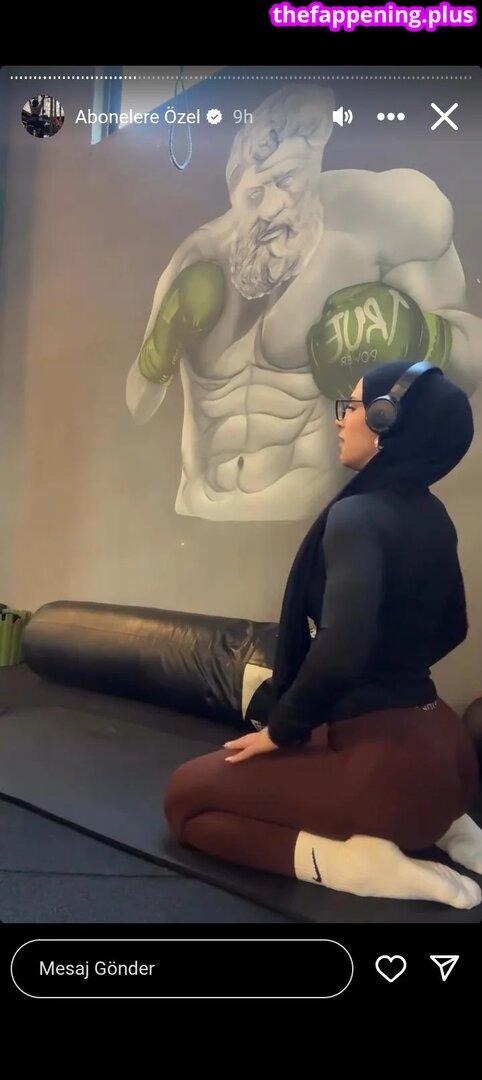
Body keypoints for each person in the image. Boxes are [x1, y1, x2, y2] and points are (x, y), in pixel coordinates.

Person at [164, 360, 482, 909]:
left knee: (183, 802)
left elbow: (342, 644)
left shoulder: (358, 516)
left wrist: (283, 729)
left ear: (385, 422)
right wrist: (389, 675)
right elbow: (454, 627)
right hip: (448, 763)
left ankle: (351, 865)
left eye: (352, 406)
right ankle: (453, 830)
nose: (340, 419)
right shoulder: (434, 515)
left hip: (390, 774)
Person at [126, 84, 482, 523]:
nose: (272, 207)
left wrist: (423, 336)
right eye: (255, 194)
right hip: (196, 516)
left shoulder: (377, 221)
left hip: (310, 519)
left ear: (313, 168)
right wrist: (158, 352)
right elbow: (138, 406)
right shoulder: (199, 258)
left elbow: (469, 364)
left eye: (287, 180)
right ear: (234, 192)